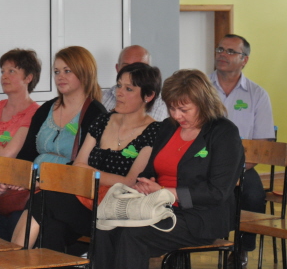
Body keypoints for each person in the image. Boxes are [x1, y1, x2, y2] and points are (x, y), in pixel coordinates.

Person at [95, 69, 245, 269]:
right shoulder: (168, 126)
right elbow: (149, 171)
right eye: (172, 108)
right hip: (157, 207)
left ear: (203, 103)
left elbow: (218, 192)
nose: (176, 115)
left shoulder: (223, 132)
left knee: (132, 235)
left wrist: (167, 193)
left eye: (184, 109)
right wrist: (145, 183)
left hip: (199, 217)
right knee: (105, 228)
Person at [12, 60, 162, 252]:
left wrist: (90, 173)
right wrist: (98, 175)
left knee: (45, 201)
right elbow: (78, 165)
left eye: (129, 89)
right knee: (51, 225)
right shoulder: (103, 120)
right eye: (118, 85)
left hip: (114, 208)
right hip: (83, 199)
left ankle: (13, 259)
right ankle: (24, 260)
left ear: (148, 96)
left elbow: (130, 181)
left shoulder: (154, 131)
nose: (119, 93)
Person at [209, 34, 274, 264]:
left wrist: (237, 169)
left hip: (243, 166)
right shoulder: (201, 88)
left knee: (254, 196)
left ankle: (241, 249)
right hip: (203, 162)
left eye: (230, 51)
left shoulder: (257, 94)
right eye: (220, 49)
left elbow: (262, 143)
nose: (222, 55)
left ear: (244, 60)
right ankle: (192, 241)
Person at [0, 49, 41, 240]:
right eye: (2, 71)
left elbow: (8, 154)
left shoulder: (35, 113)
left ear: (28, 77)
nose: (4, 76)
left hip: (19, 190)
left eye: (11, 71)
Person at [102, 45, 168, 121]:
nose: (131, 72)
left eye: (139, 68)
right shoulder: (101, 98)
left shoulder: (161, 105)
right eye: (126, 66)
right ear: (117, 68)